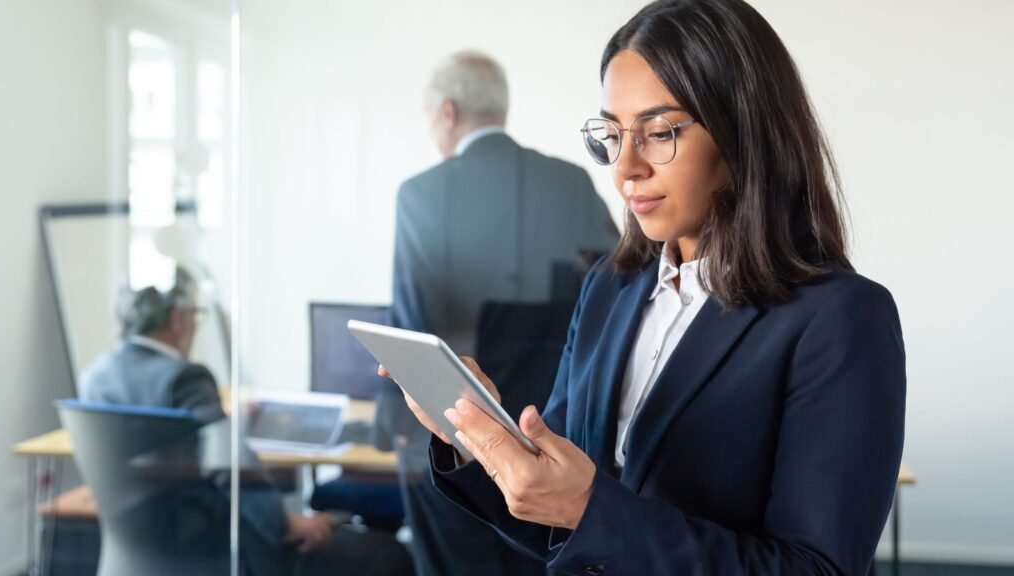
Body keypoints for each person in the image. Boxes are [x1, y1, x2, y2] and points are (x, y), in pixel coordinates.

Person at [390, 1, 907, 574]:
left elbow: (817, 568)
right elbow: (554, 525)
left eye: (658, 132)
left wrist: (591, 510)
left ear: (741, 133)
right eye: (613, 134)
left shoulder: (840, 318)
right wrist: (479, 441)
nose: (625, 167)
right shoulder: (609, 291)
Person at [374, 51, 619, 575]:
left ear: (446, 111)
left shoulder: (420, 196)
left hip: (453, 443)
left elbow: (411, 321)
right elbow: (615, 298)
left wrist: (387, 425)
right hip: (554, 447)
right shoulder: (572, 182)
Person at [80, 265, 412, 576]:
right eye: (196, 314)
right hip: (221, 551)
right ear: (177, 318)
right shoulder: (185, 378)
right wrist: (284, 524)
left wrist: (221, 421)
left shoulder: (96, 375)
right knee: (393, 554)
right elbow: (229, 466)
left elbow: (160, 443)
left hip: (139, 551)